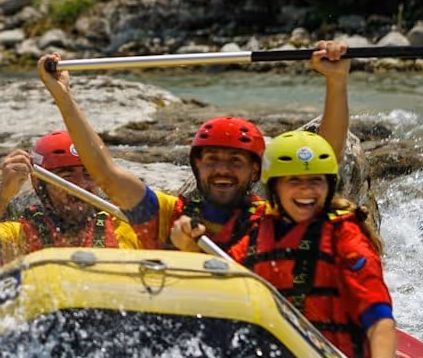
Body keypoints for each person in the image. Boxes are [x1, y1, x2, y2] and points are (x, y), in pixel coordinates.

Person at [35, 42, 351, 252]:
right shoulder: (163, 213)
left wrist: (336, 82)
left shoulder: (271, 218)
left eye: (236, 161)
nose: (223, 170)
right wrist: (64, 98)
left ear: (256, 170)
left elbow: (324, 160)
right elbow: (104, 172)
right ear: (196, 165)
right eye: (212, 159)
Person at [232, 130, 398, 358]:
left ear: (330, 185)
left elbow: (379, 317)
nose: (306, 190)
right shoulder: (256, 234)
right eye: (294, 180)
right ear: (274, 187)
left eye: (316, 180)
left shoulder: (345, 237)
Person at [0, 132, 142, 267]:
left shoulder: (125, 227)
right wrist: (3, 193)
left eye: (88, 175)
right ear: (38, 183)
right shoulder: (20, 236)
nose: (81, 186)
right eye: (66, 177)